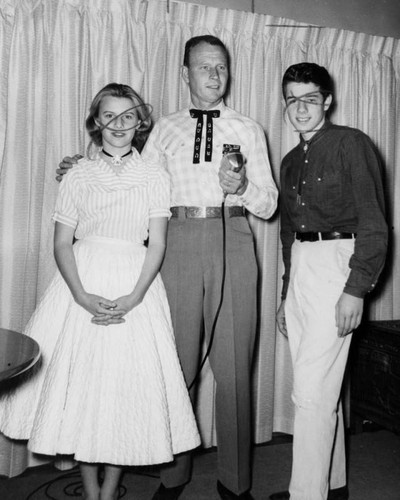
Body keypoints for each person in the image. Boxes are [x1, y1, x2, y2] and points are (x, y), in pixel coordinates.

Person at [57, 36, 278, 500]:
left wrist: (240, 189)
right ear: (185, 74)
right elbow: (133, 181)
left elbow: (270, 205)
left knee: (235, 369)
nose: (214, 76)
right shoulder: (164, 130)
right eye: (204, 67)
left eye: (221, 67)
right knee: (174, 365)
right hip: (174, 242)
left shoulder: (249, 128)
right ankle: (172, 477)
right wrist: (83, 167)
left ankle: (235, 483)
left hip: (233, 238)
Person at [0, 83, 200, 500]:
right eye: (109, 116)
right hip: (82, 283)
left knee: (122, 392)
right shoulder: (77, 173)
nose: (118, 125)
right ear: (96, 122)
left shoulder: (153, 174)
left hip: (135, 283)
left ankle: (109, 494)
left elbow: (158, 243)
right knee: (84, 392)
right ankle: (92, 495)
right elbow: (61, 243)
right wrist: (79, 295)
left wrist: (135, 296)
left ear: (139, 122)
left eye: (128, 116)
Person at [270, 63, 388, 500]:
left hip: (338, 262)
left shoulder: (351, 144)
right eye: (292, 100)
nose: (300, 108)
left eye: (309, 99)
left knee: (311, 392)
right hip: (301, 266)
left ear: (327, 101)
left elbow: (375, 223)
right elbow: (287, 235)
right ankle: (330, 484)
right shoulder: (288, 161)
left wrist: (355, 288)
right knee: (321, 386)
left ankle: (306, 494)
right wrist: (286, 297)